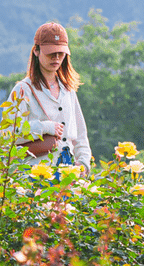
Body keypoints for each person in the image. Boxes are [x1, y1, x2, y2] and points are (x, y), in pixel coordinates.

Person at [10, 22, 92, 174]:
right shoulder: (23, 90)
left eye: (60, 53)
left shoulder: (68, 90)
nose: (56, 58)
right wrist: (44, 127)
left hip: (68, 175)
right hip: (33, 176)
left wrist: (84, 165)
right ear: (36, 51)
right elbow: (9, 134)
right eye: (50, 53)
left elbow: (80, 135)